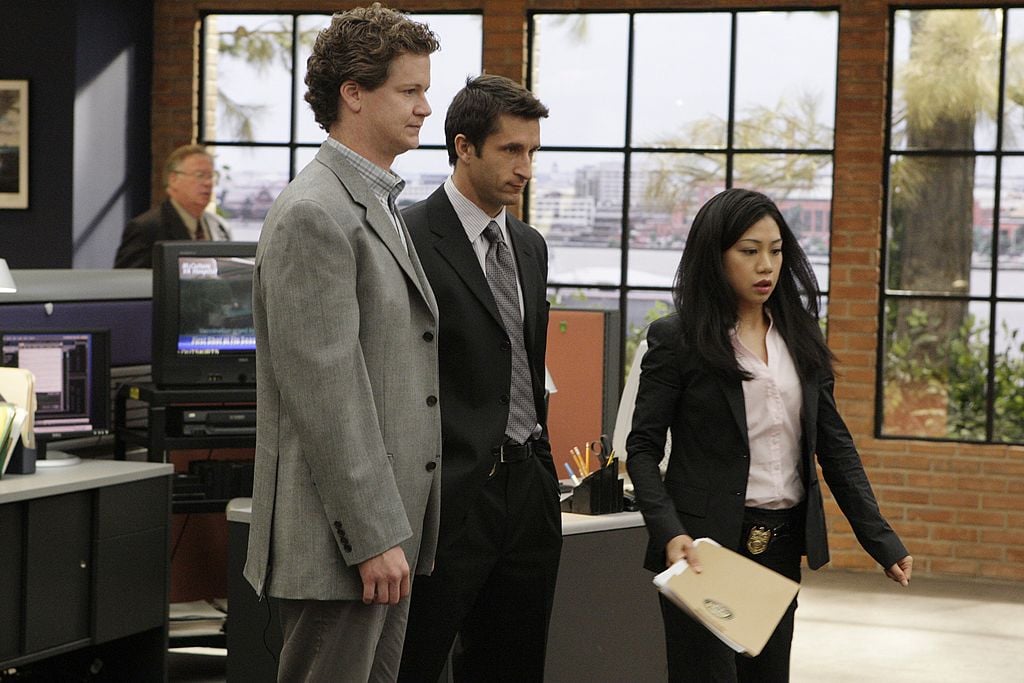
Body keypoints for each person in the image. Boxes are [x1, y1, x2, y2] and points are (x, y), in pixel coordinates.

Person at [626, 188, 913, 682]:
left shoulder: (800, 334)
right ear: (714, 257)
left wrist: (880, 539)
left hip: (779, 544)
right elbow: (642, 448)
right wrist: (671, 531)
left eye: (776, 251)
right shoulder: (678, 340)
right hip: (706, 549)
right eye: (749, 251)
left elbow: (834, 444)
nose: (766, 266)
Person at [242, 5, 442, 681]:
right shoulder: (313, 213)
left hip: (381, 538)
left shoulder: (371, 200)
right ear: (353, 93)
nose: (425, 106)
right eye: (409, 90)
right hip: (345, 544)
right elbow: (327, 395)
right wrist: (374, 533)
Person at [398, 75, 561, 682]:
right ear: (464, 147)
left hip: (529, 489)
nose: (526, 168)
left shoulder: (529, 244)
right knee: (414, 663)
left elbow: (522, 355)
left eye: (533, 152)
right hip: (450, 494)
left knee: (514, 666)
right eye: (511, 151)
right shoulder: (408, 236)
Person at [114, 144, 230, 267]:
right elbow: (127, 281)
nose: (208, 183)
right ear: (174, 179)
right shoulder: (146, 229)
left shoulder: (219, 226)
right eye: (200, 175)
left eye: (211, 176)